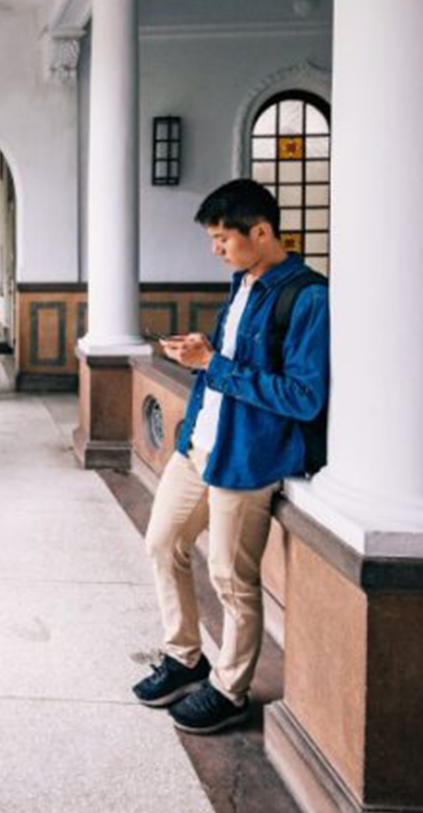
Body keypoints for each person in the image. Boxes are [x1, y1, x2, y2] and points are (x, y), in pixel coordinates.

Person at [132, 179, 329, 734]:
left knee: (231, 579)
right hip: (200, 444)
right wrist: (203, 355)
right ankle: (184, 657)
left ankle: (229, 688)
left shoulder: (309, 297)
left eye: (223, 238)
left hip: (251, 457)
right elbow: (226, 362)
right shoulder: (242, 283)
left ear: (261, 232)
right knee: (162, 542)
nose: (215, 249)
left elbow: (304, 395)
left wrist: (212, 362)